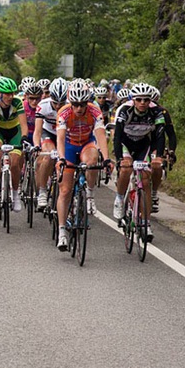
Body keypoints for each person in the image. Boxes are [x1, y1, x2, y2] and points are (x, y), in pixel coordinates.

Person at [54, 79, 112, 251]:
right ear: (70, 102)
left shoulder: (95, 111)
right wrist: (62, 158)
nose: (79, 108)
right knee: (65, 190)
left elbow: (100, 136)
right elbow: (60, 138)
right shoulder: (64, 113)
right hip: (70, 146)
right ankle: (62, 231)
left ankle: (90, 195)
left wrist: (107, 159)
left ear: (88, 102)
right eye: (75, 104)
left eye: (82, 104)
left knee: (93, 160)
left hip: (87, 143)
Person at [111, 83, 166, 243]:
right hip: (126, 143)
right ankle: (120, 198)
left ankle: (146, 222)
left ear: (150, 101)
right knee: (126, 169)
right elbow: (117, 137)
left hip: (143, 144)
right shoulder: (124, 110)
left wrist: (159, 156)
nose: (143, 103)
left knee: (145, 180)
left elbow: (160, 136)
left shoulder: (156, 112)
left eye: (146, 100)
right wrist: (120, 159)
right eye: (139, 99)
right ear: (133, 100)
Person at [0, 76, 28, 212]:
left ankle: (15, 195)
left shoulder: (18, 102)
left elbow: (23, 124)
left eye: (12, 93)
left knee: (15, 163)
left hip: (14, 131)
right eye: (7, 94)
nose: (10, 96)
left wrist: (24, 138)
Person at [33, 78, 67, 211]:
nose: (58, 106)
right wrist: (37, 145)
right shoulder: (43, 105)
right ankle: (42, 191)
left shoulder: (71, 105)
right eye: (55, 103)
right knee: (49, 156)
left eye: (61, 103)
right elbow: (37, 130)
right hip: (48, 133)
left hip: (64, 133)